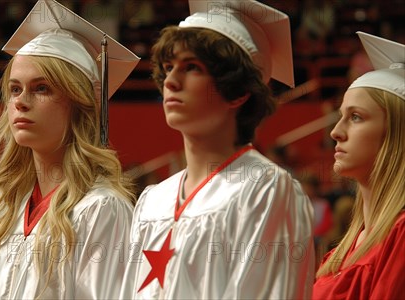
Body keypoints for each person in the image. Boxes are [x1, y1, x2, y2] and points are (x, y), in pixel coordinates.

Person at [120, 1, 315, 298]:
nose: (170, 81)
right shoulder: (153, 200)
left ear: (237, 91)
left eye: (192, 68)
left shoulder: (265, 188)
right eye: (168, 68)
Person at [0, 0, 139, 298]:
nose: (21, 102)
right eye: (14, 89)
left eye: (42, 88)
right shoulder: (7, 211)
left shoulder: (101, 209)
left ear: (79, 103)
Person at [313, 32, 405, 299]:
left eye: (355, 117)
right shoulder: (348, 245)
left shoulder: (400, 233)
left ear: (396, 134)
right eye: (341, 116)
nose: (335, 132)